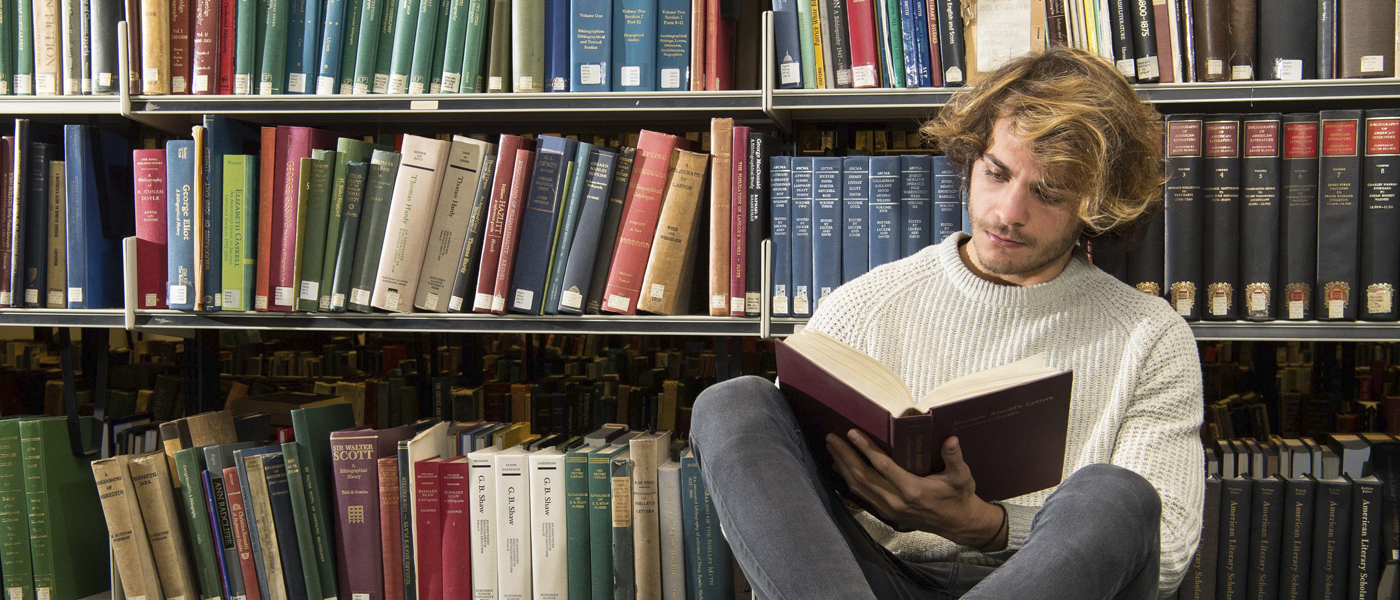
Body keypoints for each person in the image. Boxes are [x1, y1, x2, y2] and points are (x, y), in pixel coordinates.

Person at [689, 47, 1204, 600]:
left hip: (1052, 587)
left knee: (1116, 495)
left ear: (1095, 205)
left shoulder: (1151, 336)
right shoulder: (862, 306)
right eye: (996, 173)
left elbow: (1169, 549)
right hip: (870, 582)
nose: (1007, 212)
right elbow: (773, 522)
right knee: (731, 404)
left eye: (1048, 193)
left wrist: (984, 524)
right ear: (971, 159)